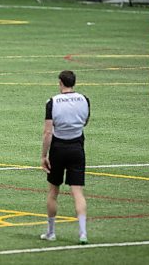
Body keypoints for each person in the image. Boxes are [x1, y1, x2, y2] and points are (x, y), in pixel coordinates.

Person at [40, 70, 90, 244]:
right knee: (77, 192)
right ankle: (83, 233)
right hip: (77, 147)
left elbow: (48, 132)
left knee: (53, 192)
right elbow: (85, 122)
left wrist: (43, 155)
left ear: (60, 82)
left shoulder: (52, 102)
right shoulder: (84, 99)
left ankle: (51, 232)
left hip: (58, 148)